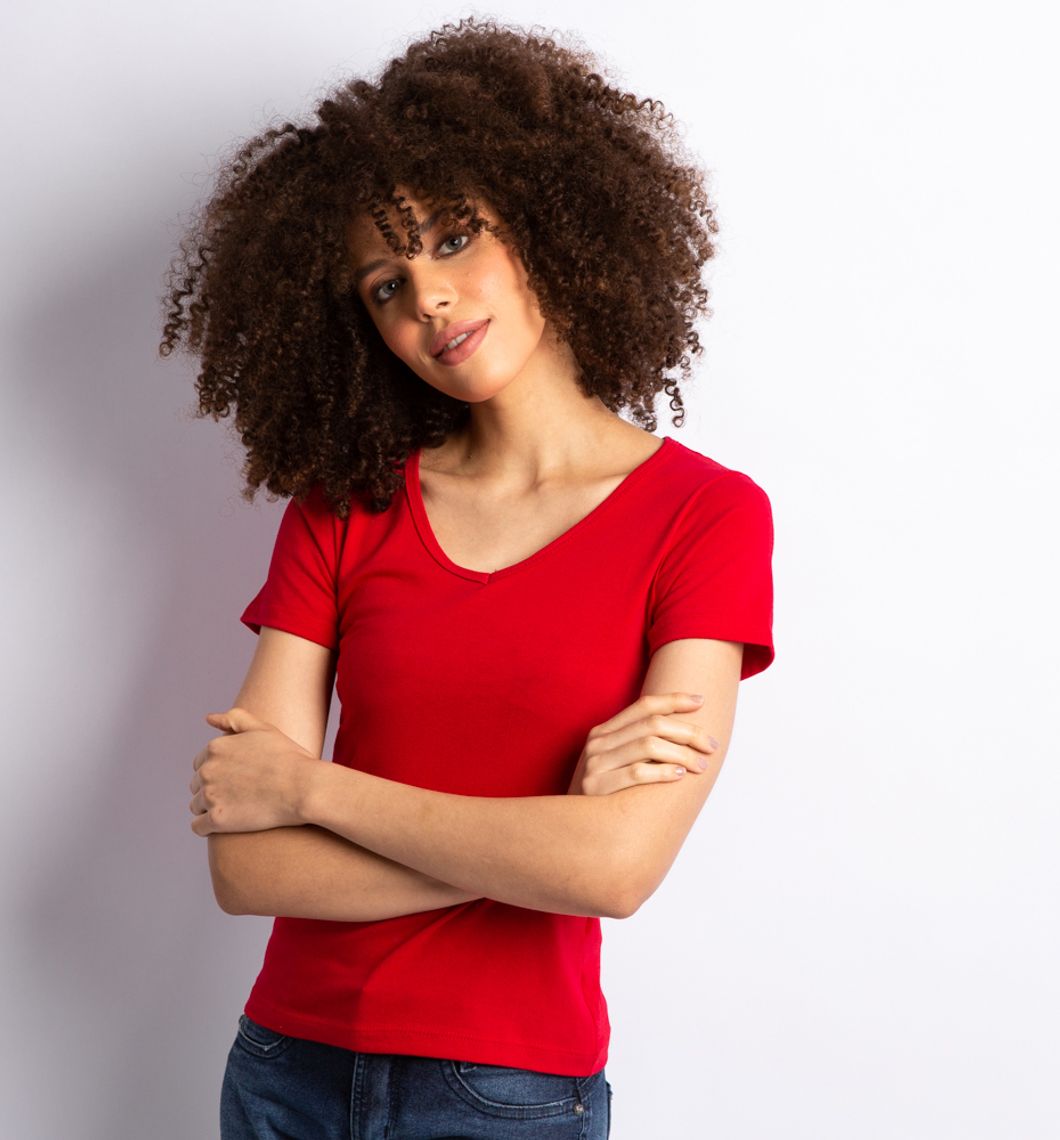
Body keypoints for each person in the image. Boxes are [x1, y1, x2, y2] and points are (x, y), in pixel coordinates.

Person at [160, 16, 775, 1139]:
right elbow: (247, 868)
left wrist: (310, 792)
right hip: (284, 1068)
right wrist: (547, 839)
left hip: (506, 1094)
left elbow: (618, 870)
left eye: (453, 238)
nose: (427, 299)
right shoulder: (344, 508)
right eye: (385, 285)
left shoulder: (705, 518)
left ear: (547, 219)